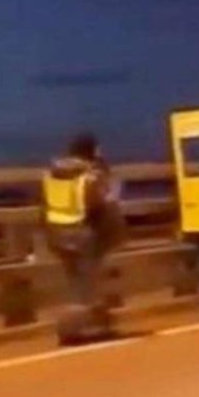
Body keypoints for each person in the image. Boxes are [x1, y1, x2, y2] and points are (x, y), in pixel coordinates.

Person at [42, 132, 123, 344]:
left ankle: (93, 323)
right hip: (82, 232)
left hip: (56, 232)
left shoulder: (51, 173)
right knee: (86, 284)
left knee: (74, 281)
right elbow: (100, 202)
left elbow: (43, 203)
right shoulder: (89, 176)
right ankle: (72, 329)